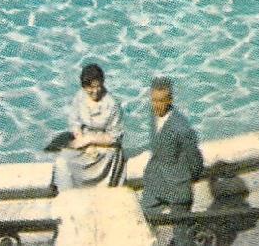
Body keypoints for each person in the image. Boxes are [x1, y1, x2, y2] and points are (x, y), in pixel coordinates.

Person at [140, 77, 204, 246]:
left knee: (182, 237)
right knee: (142, 217)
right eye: (153, 100)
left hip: (177, 186)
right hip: (156, 181)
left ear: (170, 100)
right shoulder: (152, 114)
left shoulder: (181, 128)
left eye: (161, 101)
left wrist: (190, 178)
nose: (156, 105)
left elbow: (195, 159)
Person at [55, 63, 126, 190]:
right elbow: (74, 122)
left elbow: (115, 137)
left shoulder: (112, 104)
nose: (95, 91)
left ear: (103, 82)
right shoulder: (80, 97)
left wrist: (90, 140)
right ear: (84, 87)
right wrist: (84, 142)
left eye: (98, 86)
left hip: (106, 148)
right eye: (90, 88)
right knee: (63, 161)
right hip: (84, 141)